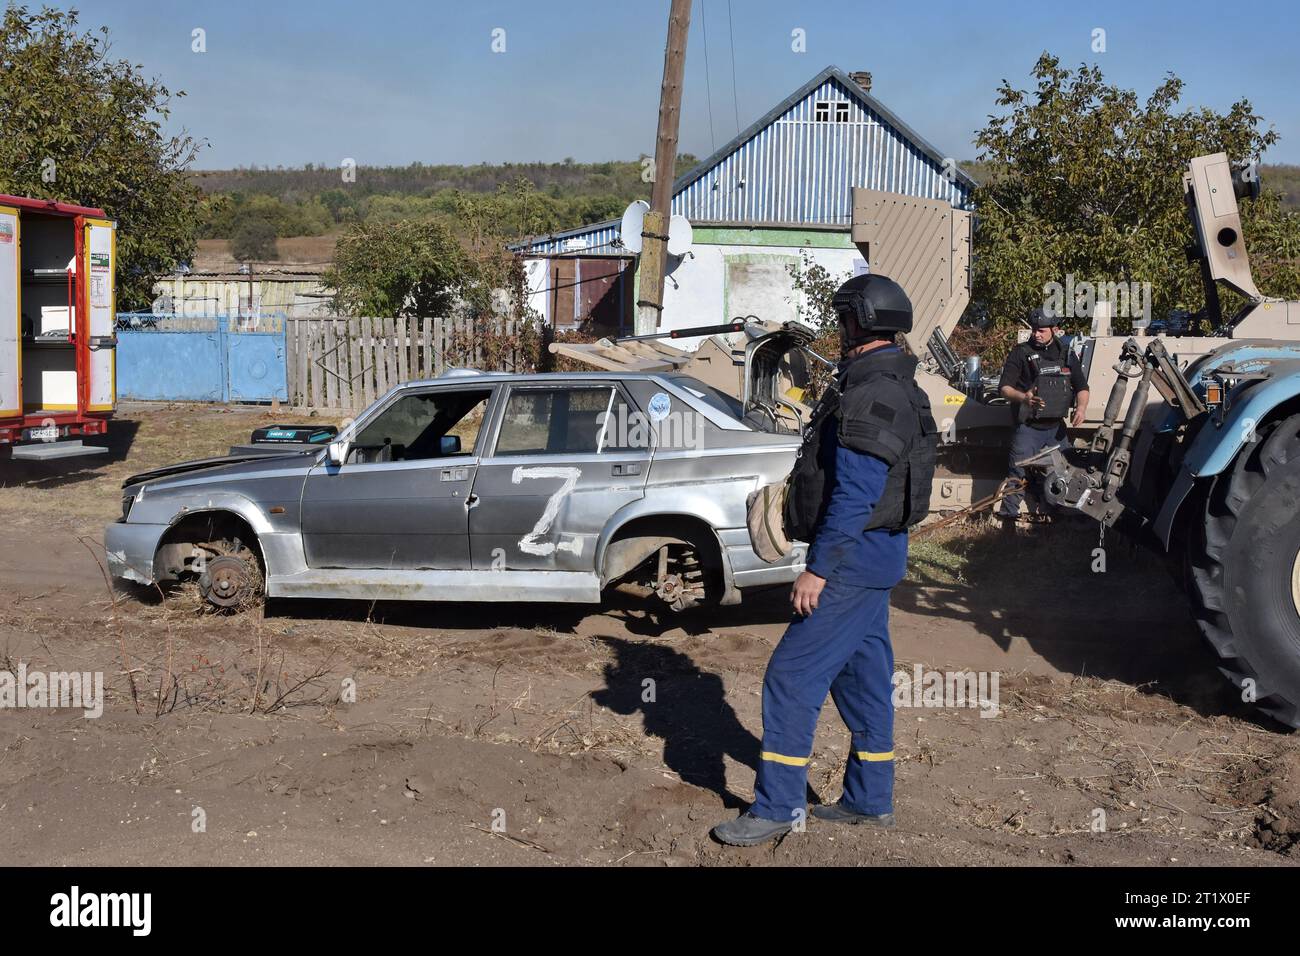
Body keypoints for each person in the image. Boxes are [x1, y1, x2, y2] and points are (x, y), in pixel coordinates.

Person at [712, 274, 937, 847]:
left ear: (859, 321)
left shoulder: (875, 394)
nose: (839, 330)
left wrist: (819, 569)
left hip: (852, 562)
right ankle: (869, 799)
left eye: (844, 319)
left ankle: (778, 807)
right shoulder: (888, 383)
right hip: (873, 559)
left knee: (790, 678)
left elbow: (856, 496)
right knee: (864, 682)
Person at [996, 307, 1090, 523]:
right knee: (1016, 475)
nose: (1036, 334)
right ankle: (1008, 521)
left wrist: (1081, 408)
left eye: (1041, 330)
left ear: (1055, 330)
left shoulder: (1066, 353)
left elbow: (1082, 387)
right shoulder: (1020, 352)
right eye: (1034, 330)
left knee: (1065, 474)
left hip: (1056, 430)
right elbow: (1004, 389)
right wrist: (1024, 398)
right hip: (1028, 428)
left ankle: (1064, 520)